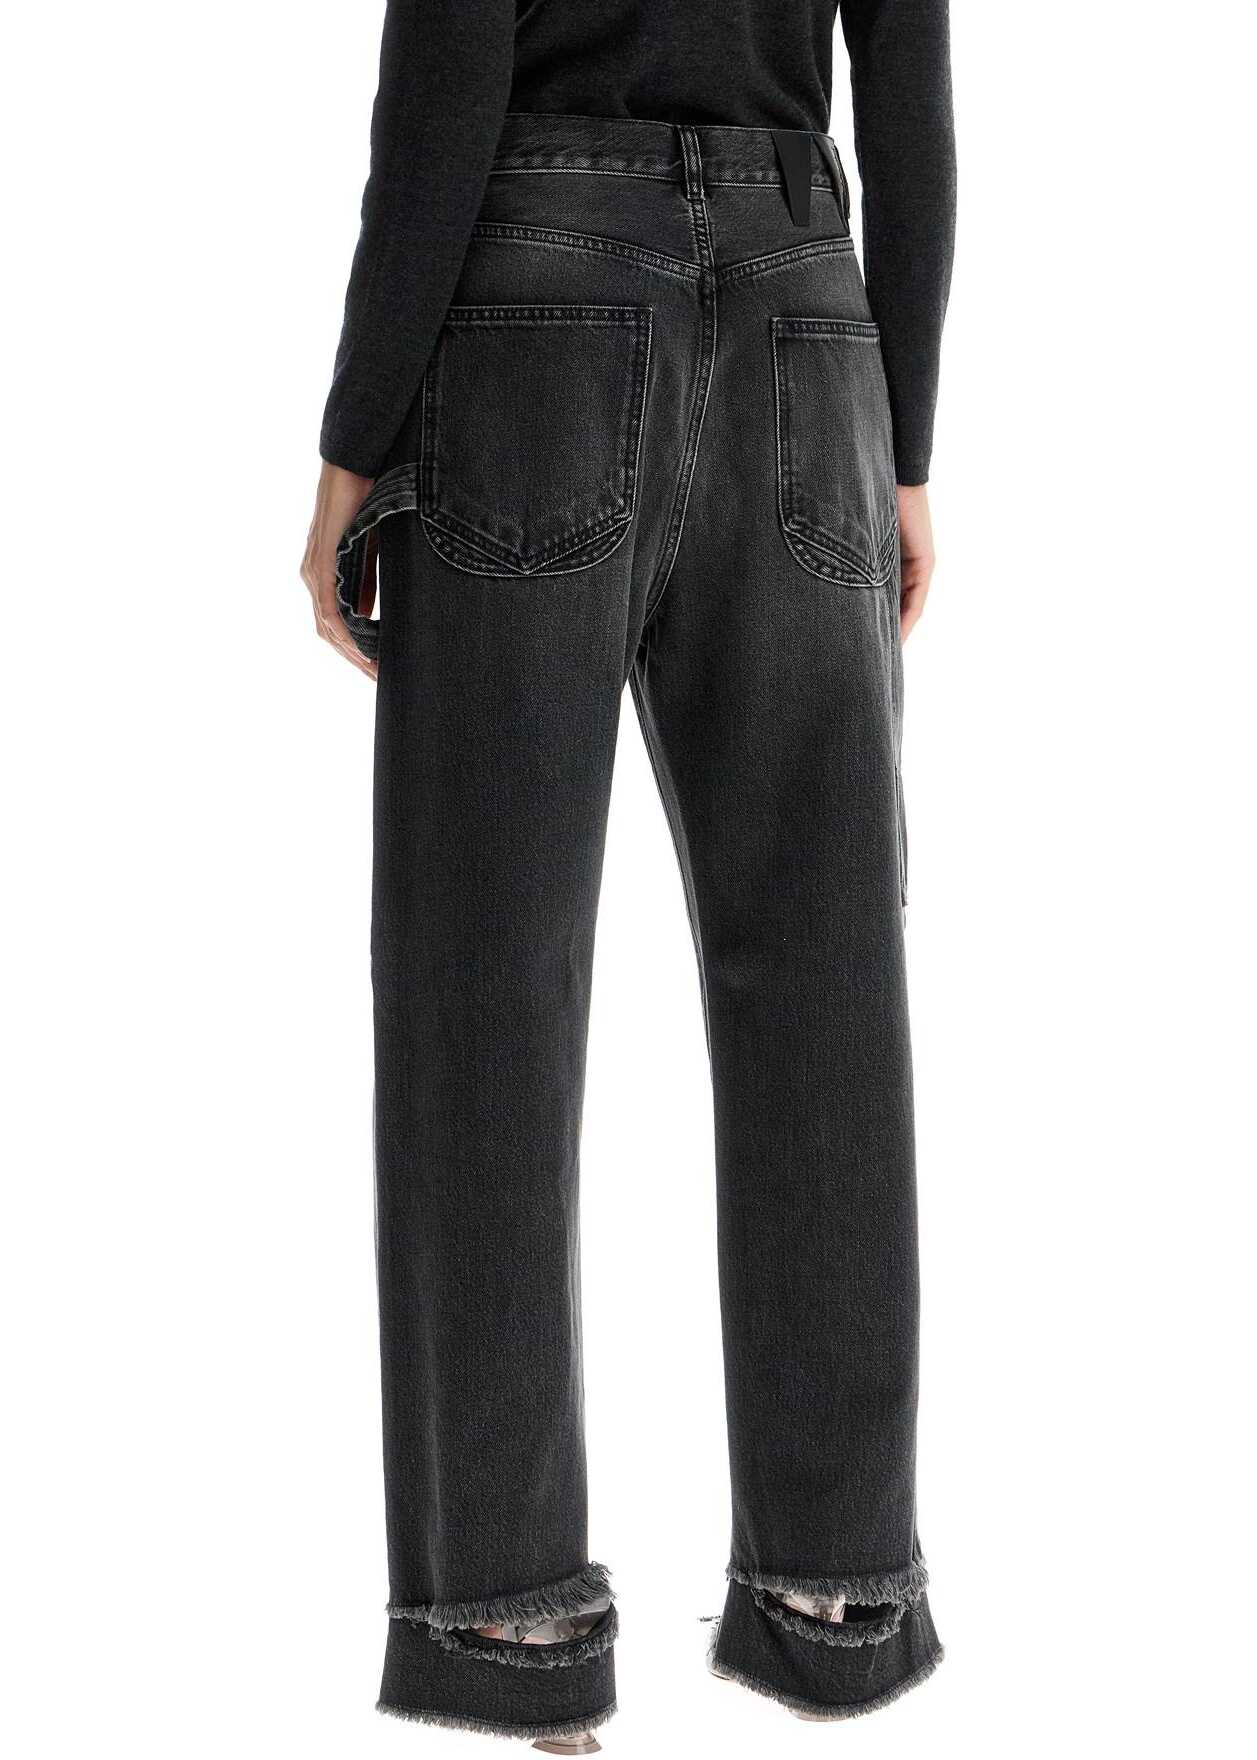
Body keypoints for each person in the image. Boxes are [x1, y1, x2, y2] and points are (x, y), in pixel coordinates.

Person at [300, 3, 955, 1750]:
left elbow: (445, 79)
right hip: (811, 312)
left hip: (531, 303)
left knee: (484, 971)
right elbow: (908, 92)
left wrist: (358, 438)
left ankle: (505, 1615)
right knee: (822, 969)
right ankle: (835, 1591)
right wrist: (901, 438)